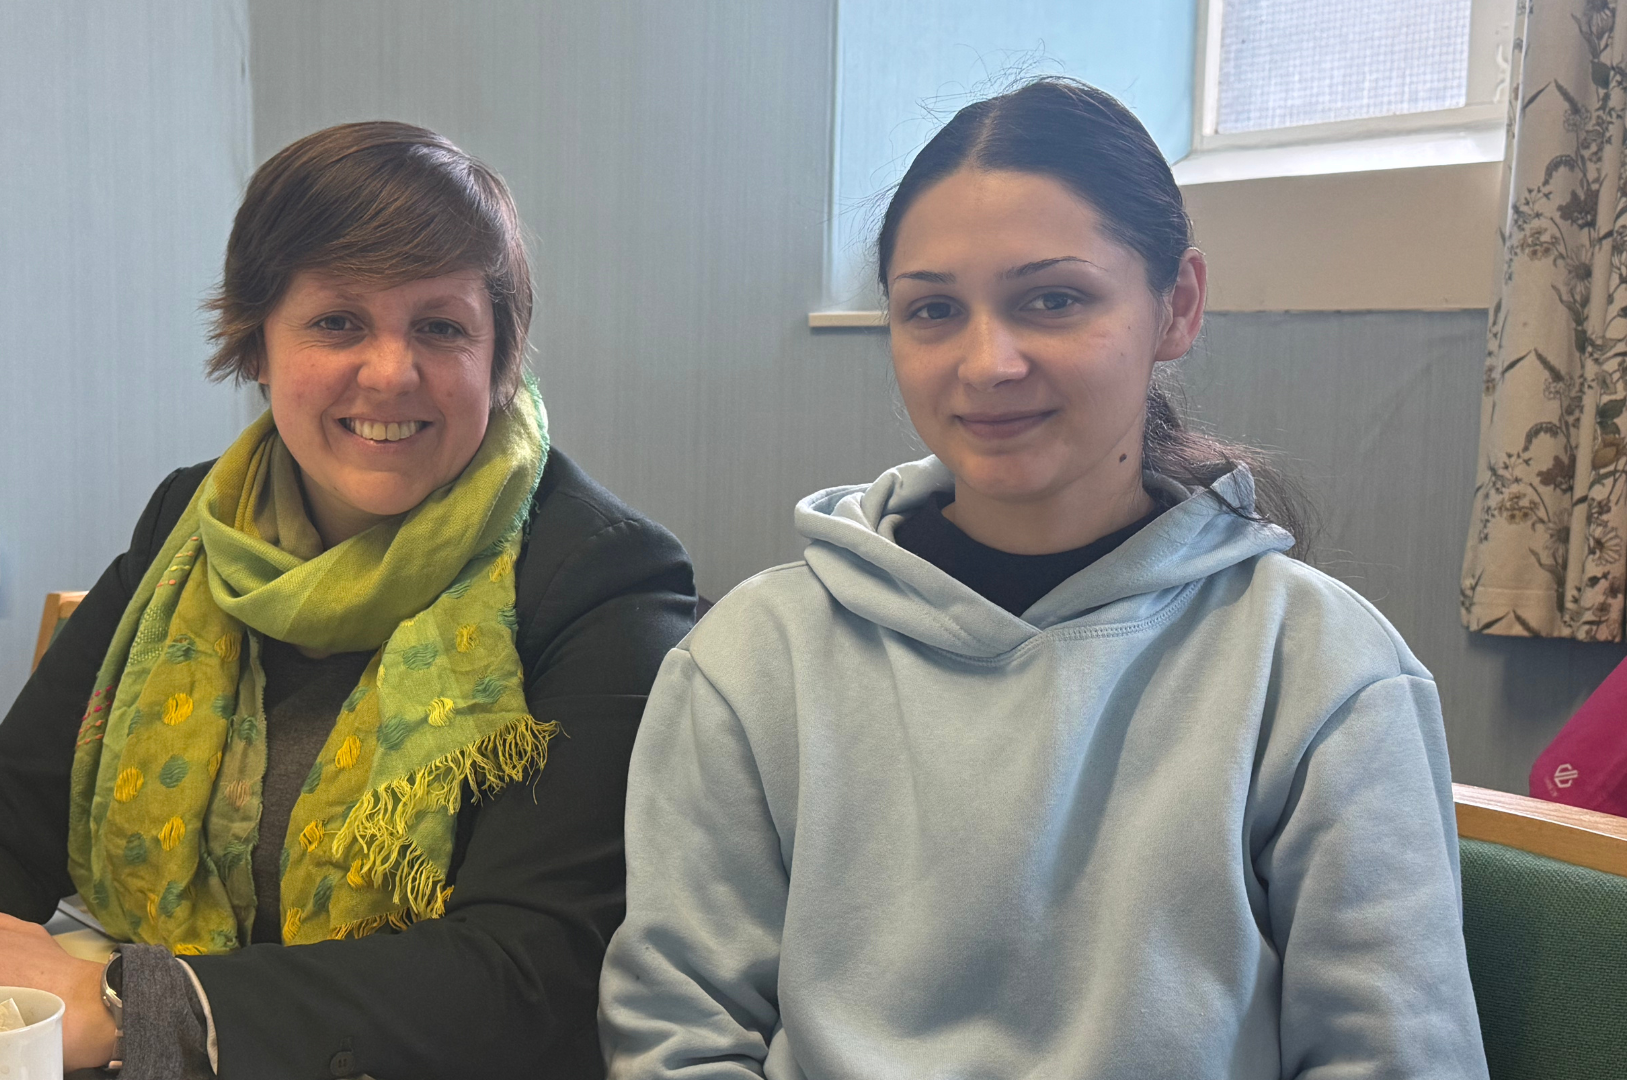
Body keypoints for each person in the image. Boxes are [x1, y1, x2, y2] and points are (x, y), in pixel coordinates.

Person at [599, 79, 1487, 1079]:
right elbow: (679, 1032)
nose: (989, 362)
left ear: (1177, 305)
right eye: (933, 309)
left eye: (1052, 299)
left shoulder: (1325, 672)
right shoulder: (751, 663)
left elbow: (1396, 1057)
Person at [0, 122, 696, 1080]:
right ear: (257, 343)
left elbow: (535, 973)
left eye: (441, 327)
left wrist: (126, 1004)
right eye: (337, 322)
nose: (390, 372)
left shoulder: (604, 582)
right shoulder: (192, 527)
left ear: (498, 357)